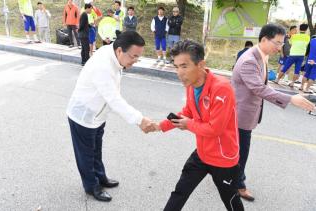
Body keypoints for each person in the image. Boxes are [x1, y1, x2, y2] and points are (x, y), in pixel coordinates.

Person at [151, 40, 244, 211]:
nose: (179, 72)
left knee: (231, 200)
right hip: (202, 153)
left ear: (201, 64)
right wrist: (159, 126)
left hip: (223, 158)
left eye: (184, 66)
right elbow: (187, 112)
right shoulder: (191, 85)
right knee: (180, 191)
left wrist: (189, 125)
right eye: (176, 66)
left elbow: (215, 129)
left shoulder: (222, 88)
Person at [66, 31, 155, 202]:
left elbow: (112, 94)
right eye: (134, 57)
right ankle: (91, 186)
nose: (135, 62)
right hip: (84, 117)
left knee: (96, 150)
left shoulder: (114, 54)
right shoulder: (103, 65)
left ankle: (101, 177)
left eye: (138, 57)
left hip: (98, 115)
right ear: (120, 51)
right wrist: (140, 120)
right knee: (86, 154)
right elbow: (114, 99)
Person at [232, 23, 316, 201]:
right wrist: (291, 98)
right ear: (264, 39)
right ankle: (238, 185)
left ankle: (221, 172)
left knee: (233, 148)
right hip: (240, 116)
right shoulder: (249, 60)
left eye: (282, 43)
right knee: (241, 152)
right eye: (277, 43)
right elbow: (259, 89)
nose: (280, 47)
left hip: (246, 113)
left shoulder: (261, 54)